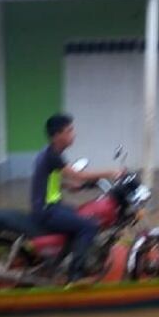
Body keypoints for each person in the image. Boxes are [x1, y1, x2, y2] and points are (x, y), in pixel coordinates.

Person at [31, 113, 124, 284]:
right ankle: (76, 274)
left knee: (82, 214)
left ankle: (65, 259)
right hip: (48, 210)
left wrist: (71, 186)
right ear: (57, 135)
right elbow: (78, 175)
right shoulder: (53, 156)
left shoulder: (50, 153)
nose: (73, 134)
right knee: (89, 226)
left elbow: (49, 180)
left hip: (49, 206)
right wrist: (111, 172)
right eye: (69, 131)